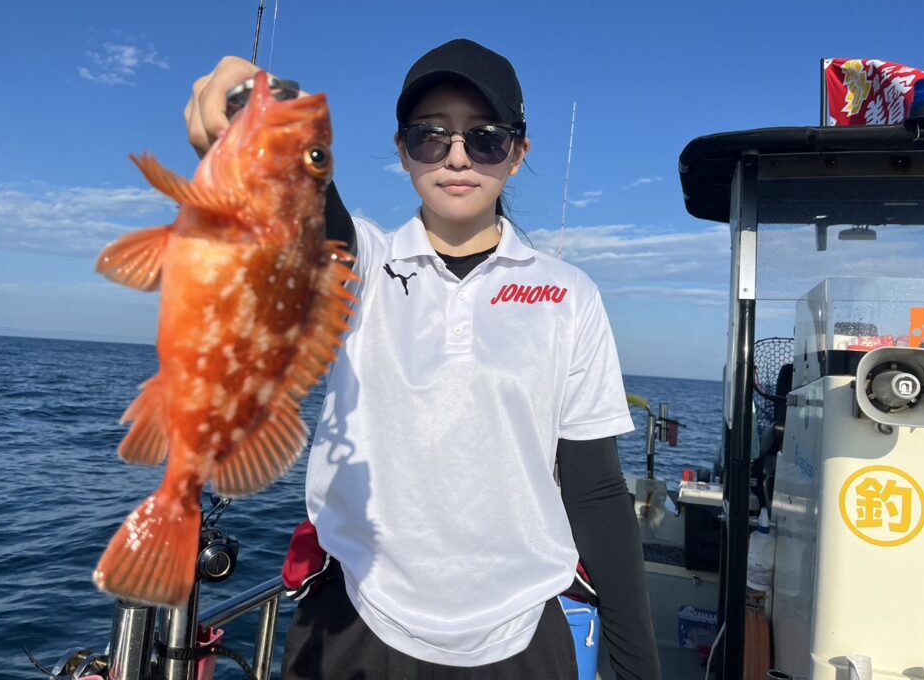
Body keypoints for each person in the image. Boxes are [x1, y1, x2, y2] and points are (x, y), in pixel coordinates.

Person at [185, 39, 661, 680]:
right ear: (402, 150)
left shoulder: (568, 295)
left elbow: (595, 488)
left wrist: (636, 667)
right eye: (430, 136)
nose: (457, 156)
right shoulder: (365, 264)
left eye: (485, 138)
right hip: (358, 624)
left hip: (522, 634)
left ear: (518, 154)